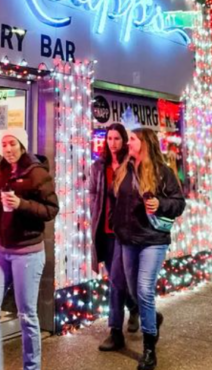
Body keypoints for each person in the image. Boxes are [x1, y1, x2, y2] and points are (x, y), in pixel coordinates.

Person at [0, 127, 59, 370]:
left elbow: (51, 209)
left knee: (26, 315)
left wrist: (21, 204)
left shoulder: (36, 173)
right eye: (4, 145)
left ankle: (31, 367)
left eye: (12, 144)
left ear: (22, 145)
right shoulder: (1, 171)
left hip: (28, 253)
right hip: (0, 249)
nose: (8, 149)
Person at [112, 128, 186, 370]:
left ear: (145, 144)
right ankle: (153, 318)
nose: (128, 142)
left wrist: (160, 203)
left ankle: (148, 348)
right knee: (134, 291)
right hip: (127, 240)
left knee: (144, 290)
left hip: (153, 240)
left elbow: (179, 202)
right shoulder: (125, 169)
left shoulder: (162, 172)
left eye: (132, 139)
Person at [89, 123, 140, 351]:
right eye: (109, 138)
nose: (112, 143)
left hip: (125, 232)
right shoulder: (99, 166)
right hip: (106, 232)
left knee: (118, 280)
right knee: (117, 280)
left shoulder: (132, 165)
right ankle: (135, 307)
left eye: (117, 138)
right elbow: (92, 192)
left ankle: (115, 330)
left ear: (124, 141)